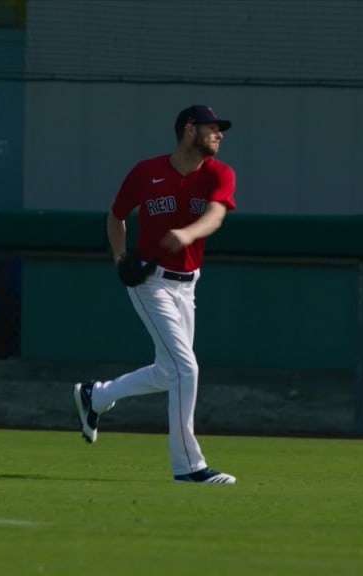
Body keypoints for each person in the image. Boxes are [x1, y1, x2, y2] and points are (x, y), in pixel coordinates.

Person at [73, 105, 237, 484]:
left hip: (188, 283)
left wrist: (188, 233)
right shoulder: (146, 172)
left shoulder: (219, 173)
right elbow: (116, 216)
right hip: (150, 281)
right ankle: (188, 466)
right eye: (213, 128)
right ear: (189, 129)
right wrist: (119, 260)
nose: (220, 134)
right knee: (186, 368)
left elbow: (216, 215)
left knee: (169, 372)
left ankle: (94, 397)